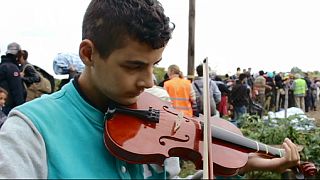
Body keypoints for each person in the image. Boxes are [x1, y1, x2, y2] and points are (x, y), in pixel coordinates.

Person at [0, 0, 301, 179]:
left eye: (154, 64)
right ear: (88, 54)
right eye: (133, 66)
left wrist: (238, 163)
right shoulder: (30, 131)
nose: (149, 81)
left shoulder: (154, 121)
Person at [0, 42, 26, 115]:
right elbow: (17, 91)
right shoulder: (12, 68)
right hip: (9, 107)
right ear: (18, 54)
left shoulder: (2, 66)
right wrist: (21, 109)